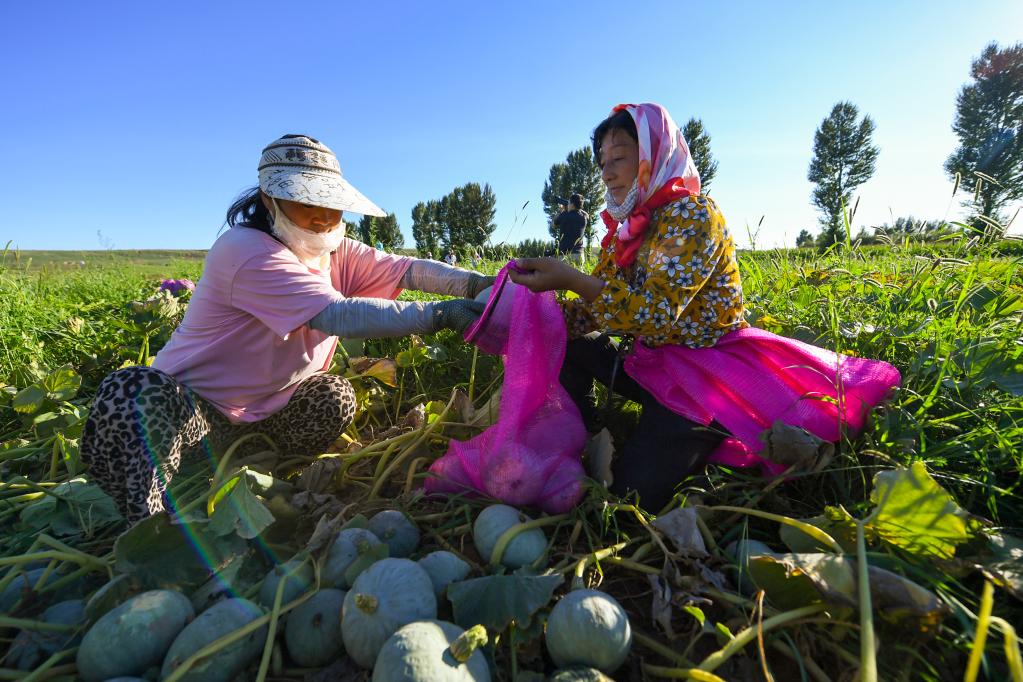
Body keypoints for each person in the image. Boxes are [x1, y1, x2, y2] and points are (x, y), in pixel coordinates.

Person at [81, 134, 492, 523]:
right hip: (191, 415)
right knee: (130, 392)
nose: (323, 215)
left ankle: (255, 472)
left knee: (334, 395)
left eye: (331, 203)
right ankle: (149, 523)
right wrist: (442, 315)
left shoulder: (334, 248)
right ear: (269, 198)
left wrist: (481, 285)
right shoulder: (245, 251)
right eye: (304, 200)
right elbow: (335, 314)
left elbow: (407, 269)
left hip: (264, 420)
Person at [509, 103, 899, 511]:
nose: (606, 172)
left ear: (654, 156)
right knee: (563, 335)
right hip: (652, 362)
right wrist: (530, 311)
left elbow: (656, 316)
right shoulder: (627, 230)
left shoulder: (695, 216)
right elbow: (597, 311)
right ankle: (577, 427)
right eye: (602, 162)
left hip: (705, 377)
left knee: (632, 497)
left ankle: (708, 429)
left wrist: (573, 280)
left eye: (620, 157)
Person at [553, 193, 588, 266]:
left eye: (569, 203)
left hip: (565, 255)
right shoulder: (584, 217)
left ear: (572, 205)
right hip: (579, 255)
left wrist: (561, 211)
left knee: (564, 277)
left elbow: (553, 225)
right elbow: (586, 214)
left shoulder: (564, 215)